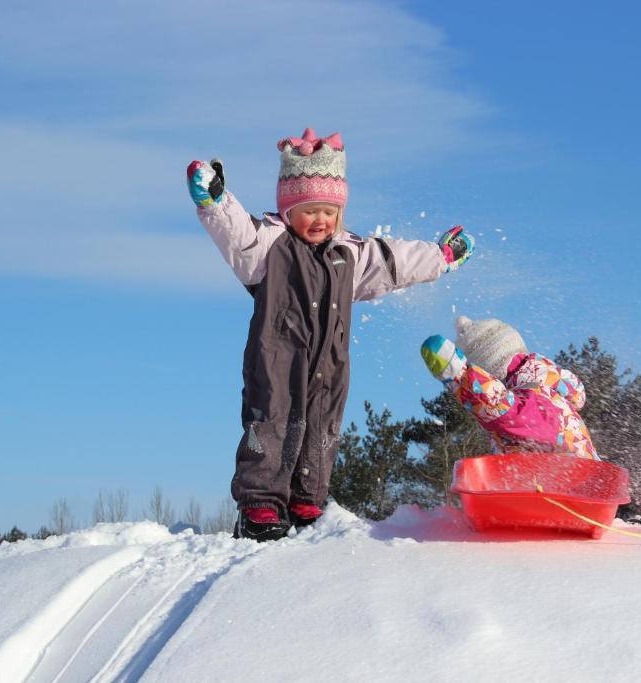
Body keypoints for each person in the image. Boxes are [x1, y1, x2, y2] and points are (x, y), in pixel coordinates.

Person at [188, 128, 476, 541]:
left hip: (329, 363)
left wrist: (440, 257)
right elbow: (237, 234)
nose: (320, 220)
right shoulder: (270, 246)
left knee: (322, 425)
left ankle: (308, 499)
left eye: (328, 211)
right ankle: (260, 504)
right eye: (309, 210)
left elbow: (394, 263)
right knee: (271, 422)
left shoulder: (350, 253)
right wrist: (215, 200)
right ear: (288, 211)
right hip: (277, 360)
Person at [420, 316, 598, 460]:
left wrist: (460, 375)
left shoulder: (538, 398)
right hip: (563, 489)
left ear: (489, 371)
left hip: (569, 491)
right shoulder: (546, 390)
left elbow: (503, 410)